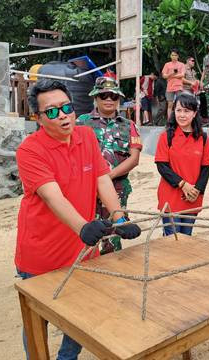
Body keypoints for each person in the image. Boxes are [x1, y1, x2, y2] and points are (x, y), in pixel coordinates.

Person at [15, 79, 141, 359]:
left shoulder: (86, 136)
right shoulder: (30, 150)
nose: (62, 115)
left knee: (81, 314)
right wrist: (83, 226)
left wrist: (119, 218)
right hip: (41, 255)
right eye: (51, 111)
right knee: (38, 320)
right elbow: (52, 196)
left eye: (66, 108)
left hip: (82, 251)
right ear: (37, 117)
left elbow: (102, 180)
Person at [77, 73, 143, 255]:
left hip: (117, 189)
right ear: (95, 97)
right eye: (103, 95)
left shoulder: (128, 125)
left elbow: (134, 158)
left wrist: (106, 177)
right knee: (88, 235)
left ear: (119, 99)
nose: (108, 99)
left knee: (114, 236)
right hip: (87, 190)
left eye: (113, 96)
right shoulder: (81, 123)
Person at [155, 92, 209, 236]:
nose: (182, 115)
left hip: (192, 198)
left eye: (186, 111)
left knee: (187, 239)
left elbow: (206, 168)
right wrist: (183, 184)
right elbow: (162, 166)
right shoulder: (166, 136)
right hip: (171, 197)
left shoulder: (203, 138)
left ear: (194, 113)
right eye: (178, 110)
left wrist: (197, 191)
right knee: (171, 241)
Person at [161, 48, 186, 117]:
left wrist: (170, 76)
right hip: (170, 87)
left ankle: (179, 119)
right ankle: (169, 121)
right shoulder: (167, 64)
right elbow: (164, 76)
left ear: (178, 56)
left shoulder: (182, 65)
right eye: (172, 55)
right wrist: (171, 74)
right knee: (170, 104)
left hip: (179, 87)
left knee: (179, 104)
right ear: (170, 56)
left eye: (175, 55)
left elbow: (182, 75)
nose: (173, 57)